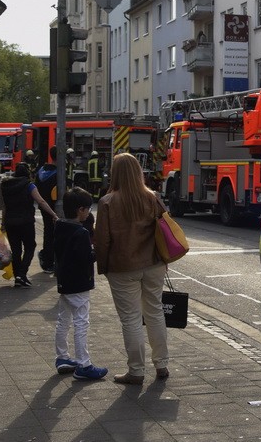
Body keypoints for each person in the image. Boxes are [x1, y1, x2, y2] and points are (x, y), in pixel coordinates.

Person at [94, 153, 169, 385]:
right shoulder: (153, 198)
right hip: (154, 264)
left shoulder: (107, 202)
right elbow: (166, 229)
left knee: (131, 318)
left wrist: (103, 266)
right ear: (138, 172)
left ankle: (136, 371)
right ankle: (162, 364)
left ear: (115, 174)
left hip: (123, 266)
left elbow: (102, 240)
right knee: (155, 312)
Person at [53, 187, 107, 381]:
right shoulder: (81, 232)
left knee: (63, 319)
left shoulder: (59, 226)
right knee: (81, 322)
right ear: (80, 210)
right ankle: (84, 364)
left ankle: (62, 357)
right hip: (79, 283)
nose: (89, 212)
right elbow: (86, 258)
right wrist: (98, 251)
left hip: (65, 282)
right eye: (88, 208)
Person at [0, 162, 59, 288]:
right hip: (25, 222)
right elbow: (41, 201)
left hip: (10, 222)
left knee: (16, 250)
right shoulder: (29, 185)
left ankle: (18, 277)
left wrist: (3, 223)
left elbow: (4, 207)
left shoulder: (6, 186)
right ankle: (22, 274)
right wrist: (53, 214)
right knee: (30, 246)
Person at [36, 147, 60, 273]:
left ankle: (47, 259)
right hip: (56, 207)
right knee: (55, 234)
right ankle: (48, 259)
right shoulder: (59, 173)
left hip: (44, 207)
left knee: (48, 232)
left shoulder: (41, 170)